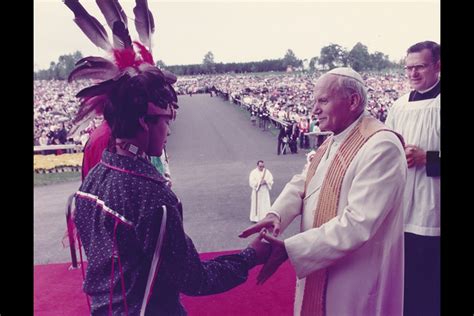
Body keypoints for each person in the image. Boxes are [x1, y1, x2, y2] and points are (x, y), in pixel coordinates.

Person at [64, 1, 270, 315]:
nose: (169, 131)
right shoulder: (151, 195)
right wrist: (250, 257)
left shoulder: (97, 175)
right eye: (165, 120)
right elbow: (194, 279)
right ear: (144, 122)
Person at [240, 67, 407, 316]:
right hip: (323, 261)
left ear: (353, 101)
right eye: (314, 101)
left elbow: (359, 222)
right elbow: (305, 181)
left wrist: (292, 249)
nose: (314, 109)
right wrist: (277, 215)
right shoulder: (334, 138)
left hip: (357, 274)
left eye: (323, 100)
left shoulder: (381, 145)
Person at [385, 40, 440, 316]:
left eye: (420, 66)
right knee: (405, 287)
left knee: (431, 290)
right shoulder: (398, 107)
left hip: (434, 213)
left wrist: (427, 158)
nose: (413, 74)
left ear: (438, 65)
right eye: (409, 68)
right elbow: (384, 151)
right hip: (403, 209)